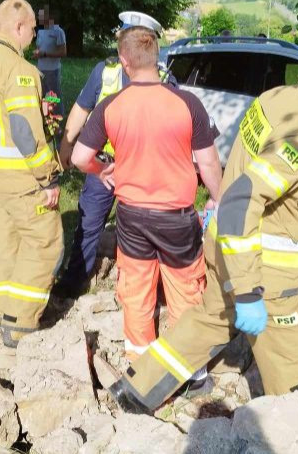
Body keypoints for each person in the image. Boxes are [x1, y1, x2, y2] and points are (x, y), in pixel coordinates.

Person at [107, 35, 298, 413]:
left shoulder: (277, 98)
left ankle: (137, 388)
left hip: (224, 247)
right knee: (297, 369)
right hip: (266, 272)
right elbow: (242, 201)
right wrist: (251, 294)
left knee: (208, 323)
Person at [71, 26, 224, 363]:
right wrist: (216, 197)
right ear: (157, 58)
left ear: (125, 62)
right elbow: (209, 161)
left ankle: (142, 366)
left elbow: (79, 158)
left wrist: (102, 170)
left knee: (137, 291)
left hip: (132, 216)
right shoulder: (186, 102)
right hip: (177, 218)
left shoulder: (111, 106)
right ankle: (189, 370)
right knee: (185, 290)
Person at [0, 0, 63, 348]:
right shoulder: (20, 71)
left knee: (4, 241)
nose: (34, 36)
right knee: (46, 244)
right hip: (22, 180)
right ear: (19, 27)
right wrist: (48, 177)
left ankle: (3, 308)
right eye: (33, 29)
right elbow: (25, 132)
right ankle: (20, 324)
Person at [54, 11, 177, 297]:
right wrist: (66, 143)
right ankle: (74, 283)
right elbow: (81, 108)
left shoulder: (165, 80)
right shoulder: (105, 71)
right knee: (88, 223)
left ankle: (142, 289)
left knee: (143, 232)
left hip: (142, 171)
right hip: (103, 167)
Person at [34, 7, 66, 101]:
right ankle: (45, 114)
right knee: (42, 95)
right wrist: (37, 53)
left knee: (54, 96)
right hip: (40, 70)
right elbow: (39, 48)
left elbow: (63, 52)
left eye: (41, 16)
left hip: (53, 70)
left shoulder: (58, 31)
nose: (39, 18)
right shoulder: (40, 32)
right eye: (39, 16)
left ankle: (58, 113)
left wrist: (44, 54)